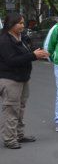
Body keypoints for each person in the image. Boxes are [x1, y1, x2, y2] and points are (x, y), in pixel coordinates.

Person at [0, 13, 49, 149]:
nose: (23, 26)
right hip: (10, 80)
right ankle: (9, 139)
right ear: (11, 24)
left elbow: (26, 54)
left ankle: (19, 135)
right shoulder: (4, 40)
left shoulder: (22, 37)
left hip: (22, 78)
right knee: (11, 110)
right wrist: (33, 56)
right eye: (20, 23)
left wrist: (38, 54)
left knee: (20, 108)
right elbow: (11, 61)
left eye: (23, 23)